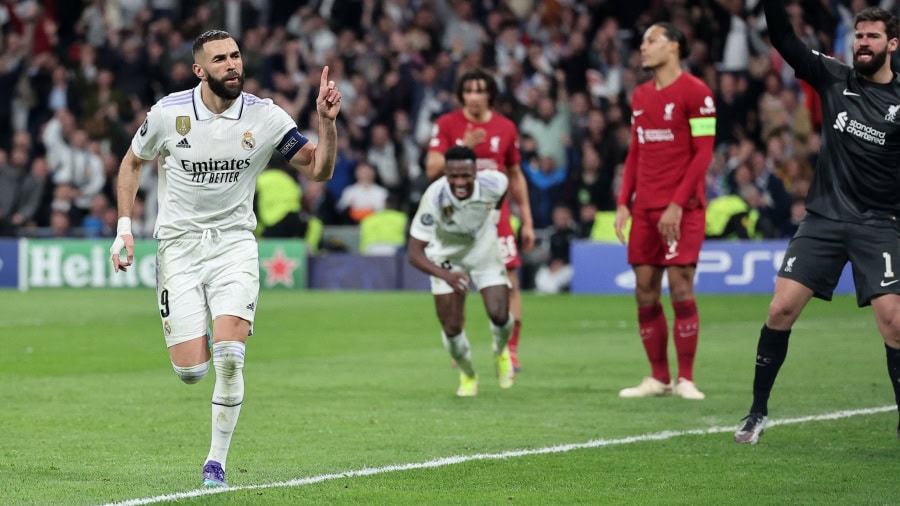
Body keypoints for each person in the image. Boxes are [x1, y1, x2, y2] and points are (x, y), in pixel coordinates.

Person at [108, 30, 341, 485]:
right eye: (220, 59)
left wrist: (326, 123)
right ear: (200, 70)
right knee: (192, 371)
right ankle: (209, 340)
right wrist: (123, 229)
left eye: (236, 56)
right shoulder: (169, 113)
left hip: (235, 243)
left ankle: (215, 462)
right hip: (179, 246)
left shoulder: (265, 116)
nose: (232, 64)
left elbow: (319, 169)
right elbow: (132, 162)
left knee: (232, 357)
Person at [735, 2, 900, 444]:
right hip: (824, 217)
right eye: (859, 36)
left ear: (893, 45)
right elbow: (784, 41)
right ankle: (756, 412)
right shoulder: (835, 76)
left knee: (895, 323)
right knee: (780, 309)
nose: (863, 43)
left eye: (872, 37)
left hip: (878, 223)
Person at [614, 22, 716, 400]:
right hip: (645, 208)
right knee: (644, 290)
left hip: (683, 208)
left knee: (680, 284)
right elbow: (636, 151)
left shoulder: (698, 93)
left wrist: (677, 204)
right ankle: (659, 378)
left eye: (651, 40)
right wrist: (624, 200)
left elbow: (703, 153)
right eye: (642, 41)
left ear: (674, 46)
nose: (643, 47)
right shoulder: (640, 95)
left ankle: (685, 378)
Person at [426, 68, 535, 372]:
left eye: (480, 90)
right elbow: (432, 167)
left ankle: (509, 352)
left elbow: (515, 175)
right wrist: (465, 145)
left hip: (495, 219)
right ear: (462, 94)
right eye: (469, 90)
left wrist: (526, 220)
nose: (474, 96)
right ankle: (459, 348)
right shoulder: (447, 124)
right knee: (457, 286)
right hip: (456, 222)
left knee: (510, 284)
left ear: (490, 94)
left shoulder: (506, 128)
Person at [409, 145, 515, 397]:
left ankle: (501, 351)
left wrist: (495, 219)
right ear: (445, 173)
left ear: (475, 172)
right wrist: (446, 275)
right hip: (446, 258)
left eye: (465, 175)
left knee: (499, 314)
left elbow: (502, 193)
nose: (459, 182)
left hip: (482, 250)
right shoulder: (434, 198)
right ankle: (468, 374)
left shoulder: (496, 182)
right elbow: (414, 254)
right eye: (453, 176)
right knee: (452, 328)